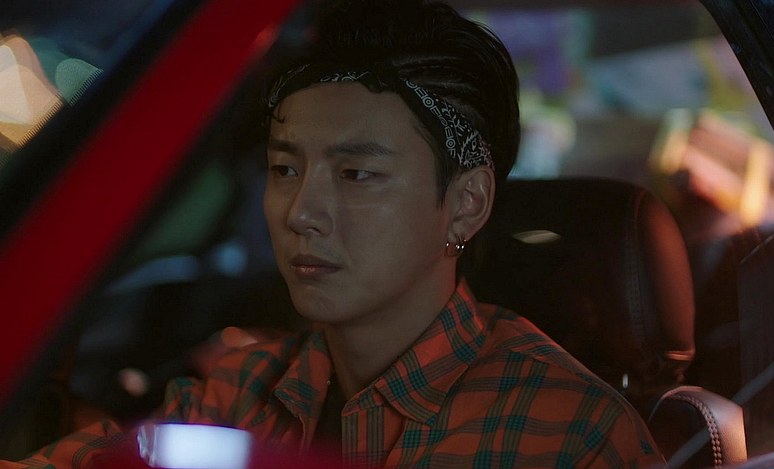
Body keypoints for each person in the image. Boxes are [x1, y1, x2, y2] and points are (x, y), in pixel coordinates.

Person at [8, 0, 663, 467]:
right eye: (284, 168)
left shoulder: (566, 435)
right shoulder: (243, 390)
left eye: (356, 173)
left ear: (465, 204)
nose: (300, 211)